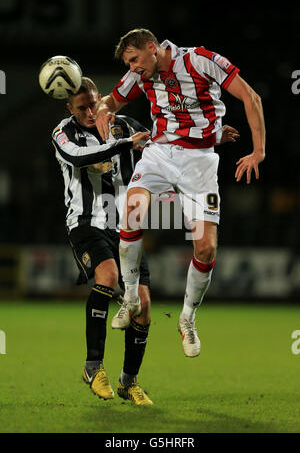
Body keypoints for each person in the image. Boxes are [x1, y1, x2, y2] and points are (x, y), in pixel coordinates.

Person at [96, 29, 266, 358]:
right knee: (132, 210)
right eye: (127, 63)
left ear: (151, 48)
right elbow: (110, 100)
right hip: (159, 154)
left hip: (200, 164)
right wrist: (104, 112)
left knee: (206, 247)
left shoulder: (200, 60)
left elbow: (251, 97)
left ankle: (186, 318)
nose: (131, 68)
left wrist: (258, 151)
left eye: (133, 60)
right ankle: (130, 296)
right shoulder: (139, 74)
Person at [52, 76, 154, 405]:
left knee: (144, 307)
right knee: (107, 277)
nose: (90, 110)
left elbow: (162, 146)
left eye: (94, 103)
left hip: (125, 226)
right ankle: (93, 367)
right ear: (70, 108)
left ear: (101, 97)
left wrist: (209, 140)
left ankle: (129, 381)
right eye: (82, 108)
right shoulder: (63, 132)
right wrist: (125, 145)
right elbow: (80, 158)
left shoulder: (125, 125)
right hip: (85, 222)